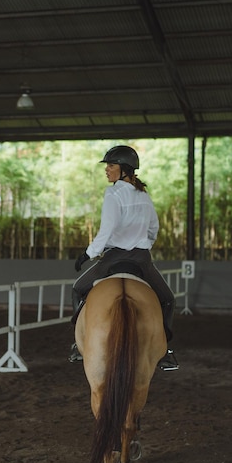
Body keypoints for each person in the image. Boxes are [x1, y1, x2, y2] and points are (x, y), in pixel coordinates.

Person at [69, 145, 177, 370]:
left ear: (124, 169)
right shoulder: (143, 195)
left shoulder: (113, 193)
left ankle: (77, 344)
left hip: (114, 258)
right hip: (141, 259)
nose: (106, 170)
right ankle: (165, 351)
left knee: (78, 290)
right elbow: (153, 228)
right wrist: (142, 243)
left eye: (110, 165)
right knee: (168, 300)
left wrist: (87, 255)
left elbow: (106, 230)